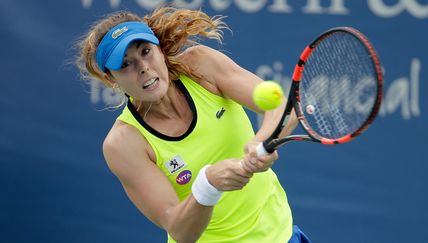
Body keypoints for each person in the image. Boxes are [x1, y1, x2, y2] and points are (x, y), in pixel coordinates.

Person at [76, 6, 311, 243]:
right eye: (125, 64)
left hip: (282, 234)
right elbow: (180, 230)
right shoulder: (124, 143)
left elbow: (283, 108)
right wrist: (208, 185)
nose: (143, 67)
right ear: (110, 78)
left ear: (159, 49)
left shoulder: (200, 66)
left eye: (146, 51)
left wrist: (261, 144)